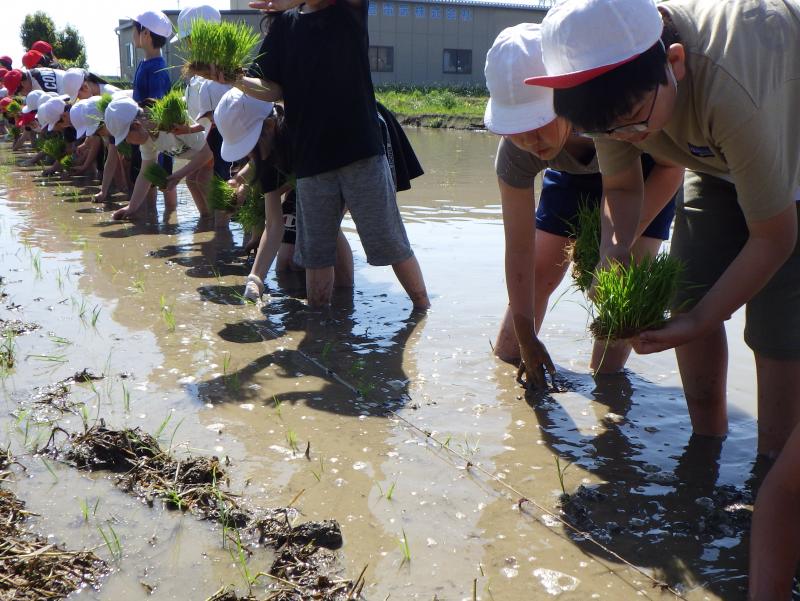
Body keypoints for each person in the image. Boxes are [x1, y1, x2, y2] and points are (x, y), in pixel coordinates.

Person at [528, 0, 800, 458]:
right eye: (605, 132)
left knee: (778, 329)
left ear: (675, 62)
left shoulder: (729, 92)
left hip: (786, 139)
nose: (627, 137)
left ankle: (773, 472)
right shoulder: (611, 95)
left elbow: (775, 237)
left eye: (633, 121)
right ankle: (706, 446)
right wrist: (612, 255)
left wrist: (700, 322)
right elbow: (622, 186)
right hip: (715, 154)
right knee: (689, 287)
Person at [485, 23, 682, 388]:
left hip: (644, 171)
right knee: (541, 272)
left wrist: (612, 247)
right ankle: (508, 372)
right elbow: (519, 250)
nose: (529, 140)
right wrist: (527, 338)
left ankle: (608, 388)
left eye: (538, 123)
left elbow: (673, 167)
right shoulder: (518, 153)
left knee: (617, 293)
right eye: (516, 128)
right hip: (572, 176)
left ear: (566, 98)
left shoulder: (619, 109)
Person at [216, 0, 430, 310]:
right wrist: (235, 79)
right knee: (315, 254)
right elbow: (273, 88)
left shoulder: (348, 10)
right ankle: (321, 328)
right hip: (311, 160)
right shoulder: (285, 26)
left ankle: (422, 310)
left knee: (390, 243)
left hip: (360, 151)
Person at [213, 87, 354, 301]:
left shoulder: (302, 132)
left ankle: (344, 300)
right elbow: (273, 224)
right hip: (303, 179)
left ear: (269, 127)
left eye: (250, 145)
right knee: (286, 264)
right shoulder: (268, 154)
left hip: (345, 163)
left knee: (326, 228)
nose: (250, 155)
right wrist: (255, 279)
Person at [104, 96, 212, 221]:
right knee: (197, 194)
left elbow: (207, 153)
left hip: (216, 153)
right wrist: (131, 208)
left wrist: (178, 176)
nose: (127, 142)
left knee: (200, 181)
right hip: (203, 160)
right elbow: (145, 173)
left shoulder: (172, 121)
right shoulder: (147, 137)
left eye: (126, 137)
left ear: (136, 125)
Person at [114, 10, 177, 214]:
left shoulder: (157, 68)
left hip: (156, 131)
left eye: (134, 30)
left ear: (146, 34)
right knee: (148, 173)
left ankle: (168, 219)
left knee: (163, 178)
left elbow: (156, 106)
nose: (133, 35)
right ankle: (151, 216)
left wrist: (148, 130)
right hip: (143, 129)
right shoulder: (145, 64)